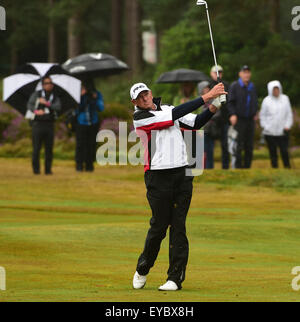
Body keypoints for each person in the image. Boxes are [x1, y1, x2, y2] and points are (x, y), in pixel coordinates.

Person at [130, 82, 227, 291]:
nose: (144, 98)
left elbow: (195, 123)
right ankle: (143, 267)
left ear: (150, 93)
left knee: (178, 226)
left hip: (182, 174)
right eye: (140, 97)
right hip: (157, 177)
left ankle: (174, 278)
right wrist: (207, 96)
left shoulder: (168, 110)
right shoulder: (140, 118)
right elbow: (172, 117)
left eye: (146, 93)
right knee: (159, 226)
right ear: (135, 102)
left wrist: (214, 105)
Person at [27, 76, 61, 175]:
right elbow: (29, 105)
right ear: (42, 85)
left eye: (50, 83)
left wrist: (47, 103)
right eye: (46, 83)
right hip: (38, 125)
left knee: (49, 149)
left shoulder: (55, 97)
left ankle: (48, 170)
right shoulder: (36, 95)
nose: (49, 85)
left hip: (49, 125)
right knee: (36, 148)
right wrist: (37, 111)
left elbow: (58, 107)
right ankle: (36, 170)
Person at [228, 65, 258, 169]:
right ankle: (238, 167)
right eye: (244, 72)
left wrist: (255, 113)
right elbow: (230, 102)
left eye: (248, 72)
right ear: (240, 74)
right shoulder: (235, 86)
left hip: (250, 120)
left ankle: (247, 167)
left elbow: (255, 101)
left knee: (249, 145)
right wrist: (232, 114)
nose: (246, 74)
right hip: (239, 119)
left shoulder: (252, 86)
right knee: (238, 144)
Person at [259, 80, 293, 169]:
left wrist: (287, 126)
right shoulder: (266, 101)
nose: (276, 91)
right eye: (274, 89)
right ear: (270, 90)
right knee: (273, 152)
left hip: (283, 131)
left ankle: (287, 167)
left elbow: (289, 114)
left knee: (284, 151)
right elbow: (262, 115)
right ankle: (275, 168)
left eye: (277, 89)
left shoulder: (285, 99)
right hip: (270, 132)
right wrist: (266, 127)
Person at [75, 83, 104, 172]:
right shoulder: (78, 94)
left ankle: (89, 165)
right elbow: (76, 110)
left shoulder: (97, 94)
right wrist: (81, 97)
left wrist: (95, 99)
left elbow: (101, 108)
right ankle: (79, 165)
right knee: (80, 144)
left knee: (91, 144)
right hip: (81, 123)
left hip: (93, 123)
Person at [209, 65, 230, 169]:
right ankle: (210, 168)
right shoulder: (208, 85)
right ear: (211, 73)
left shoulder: (225, 85)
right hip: (212, 120)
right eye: (216, 72)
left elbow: (229, 102)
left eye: (220, 72)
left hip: (224, 119)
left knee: (225, 145)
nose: (218, 74)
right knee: (210, 146)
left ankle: (225, 167)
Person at [197, 81, 221, 169]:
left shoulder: (213, 100)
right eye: (205, 88)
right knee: (201, 151)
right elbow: (198, 115)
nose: (207, 89)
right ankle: (201, 168)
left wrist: (208, 115)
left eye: (208, 88)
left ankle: (210, 168)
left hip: (210, 130)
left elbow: (218, 112)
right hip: (201, 130)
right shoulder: (198, 101)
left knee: (210, 150)